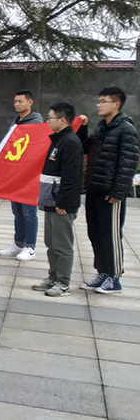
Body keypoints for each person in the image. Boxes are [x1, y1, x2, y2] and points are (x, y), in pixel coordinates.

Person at [78, 87, 139, 294]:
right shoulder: (101, 127)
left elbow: (128, 162)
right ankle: (102, 272)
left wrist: (118, 191)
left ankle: (115, 277)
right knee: (95, 232)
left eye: (104, 101)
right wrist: (83, 128)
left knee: (111, 234)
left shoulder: (125, 129)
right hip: (94, 188)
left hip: (110, 192)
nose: (99, 104)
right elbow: (85, 148)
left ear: (116, 104)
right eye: (98, 101)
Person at [32, 102, 83, 297]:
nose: (47, 121)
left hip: (61, 204)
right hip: (51, 201)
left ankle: (63, 282)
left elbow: (72, 177)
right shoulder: (58, 140)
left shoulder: (70, 142)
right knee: (51, 243)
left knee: (62, 244)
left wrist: (63, 202)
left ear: (62, 119)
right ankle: (53, 277)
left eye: (50, 117)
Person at [0, 90, 44, 261]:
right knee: (17, 210)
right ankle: (18, 243)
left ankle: (30, 246)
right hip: (15, 173)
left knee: (28, 211)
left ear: (30, 102)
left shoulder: (36, 122)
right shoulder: (16, 122)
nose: (17, 104)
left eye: (21, 101)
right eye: (15, 101)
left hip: (29, 175)